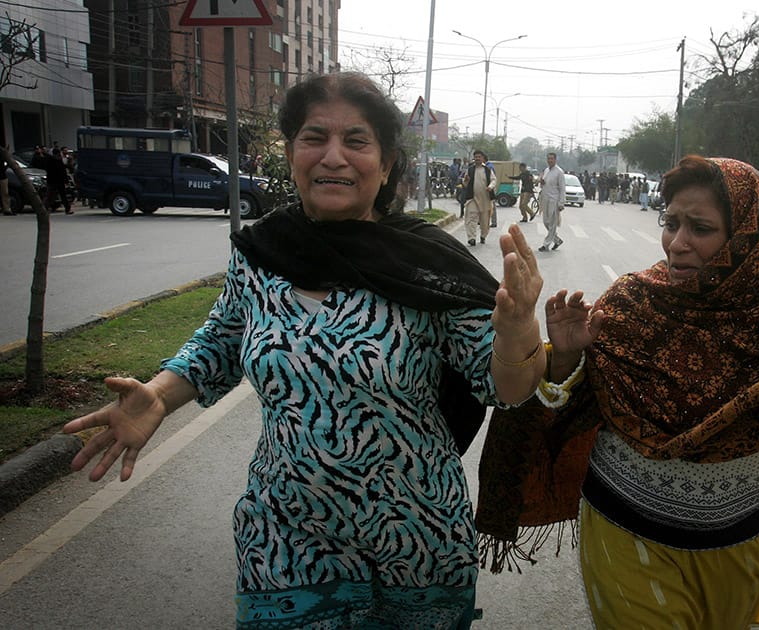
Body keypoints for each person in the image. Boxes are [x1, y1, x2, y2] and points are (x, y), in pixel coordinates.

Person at [62, 71, 547, 630]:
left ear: (386, 164)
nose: (333, 157)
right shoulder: (263, 252)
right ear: (292, 153)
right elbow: (221, 338)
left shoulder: (429, 266)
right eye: (314, 138)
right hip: (284, 537)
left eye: (356, 141)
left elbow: (507, 389)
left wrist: (516, 330)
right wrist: (159, 396)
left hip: (416, 541)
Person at [475, 156, 759, 629]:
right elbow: (555, 411)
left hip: (740, 549)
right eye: (671, 222)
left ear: (747, 238)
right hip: (624, 536)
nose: (677, 244)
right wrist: (565, 357)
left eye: (699, 228)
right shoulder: (632, 301)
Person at [462, 149, 496, 246]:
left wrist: (490, 187)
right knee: (471, 218)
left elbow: (494, 180)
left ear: (482, 158)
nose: (477, 159)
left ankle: (483, 235)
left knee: (485, 221)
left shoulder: (487, 170)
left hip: (485, 199)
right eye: (476, 157)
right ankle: (471, 238)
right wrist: (466, 181)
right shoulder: (470, 169)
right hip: (472, 198)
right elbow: (465, 184)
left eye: (479, 157)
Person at [537, 152, 566, 252]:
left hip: (554, 200)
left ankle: (546, 245)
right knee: (546, 222)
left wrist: (561, 203)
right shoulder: (546, 170)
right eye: (548, 158)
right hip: (545, 199)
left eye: (551, 159)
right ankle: (557, 240)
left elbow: (562, 189)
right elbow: (543, 184)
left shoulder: (559, 172)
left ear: (555, 160)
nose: (549, 160)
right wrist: (542, 182)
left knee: (552, 223)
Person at [43, 146, 73, 214]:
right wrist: (66, 181)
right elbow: (63, 172)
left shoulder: (48, 160)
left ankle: (45, 208)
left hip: (52, 181)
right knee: (63, 195)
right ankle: (67, 209)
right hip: (59, 181)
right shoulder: (59, 160)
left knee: (50, 195)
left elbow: (47, 170)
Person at [0, 150, 11, 216]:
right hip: (3, 176)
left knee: (5, 193)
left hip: (2, 176)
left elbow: (7, 163)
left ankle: (7, 209)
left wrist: (5, 167)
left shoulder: (2, 155)